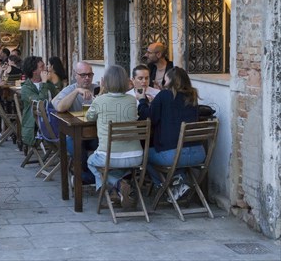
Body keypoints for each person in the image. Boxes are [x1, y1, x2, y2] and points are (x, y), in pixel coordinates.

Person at [138, 67, 202, 202]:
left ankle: (165, 186)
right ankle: (179, 181)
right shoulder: (193, 97)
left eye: (165, 80)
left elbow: (148, 116)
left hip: (174, 156)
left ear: (170, 81)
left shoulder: (164, 96)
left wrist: (142, 100)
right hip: (199, 154)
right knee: (172, 156)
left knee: (143, 156)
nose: (163, 82)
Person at [85, 65, 143, 207]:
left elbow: (89, 117)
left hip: (109, 156)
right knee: (117, 165)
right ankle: (117, 192)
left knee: (91, 161)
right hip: (136, 156)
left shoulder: (100, 101)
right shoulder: (132, 100)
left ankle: (117, 185)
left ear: (105, 82)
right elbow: (135, 116)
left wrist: (100, 94)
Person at [51, 61, 100, 183]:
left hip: (96, 134)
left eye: (90, 74)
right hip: (75, 134)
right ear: (75, 75)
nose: (87, 78)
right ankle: (90, 176)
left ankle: (86, 177)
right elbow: (59, 107)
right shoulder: (70, 90)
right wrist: (77, 91)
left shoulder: (98, 89)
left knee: (110, 145)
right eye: (83, 75)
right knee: (74, 144)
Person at [20, 56, 57, 146]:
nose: (46, 69)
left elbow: (57, 97)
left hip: (52, 119)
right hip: (36, 127)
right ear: (34, 71)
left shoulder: (47, 83)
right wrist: (44, 83)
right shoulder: (26, 88)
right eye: (42, 67)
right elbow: (41, 105)